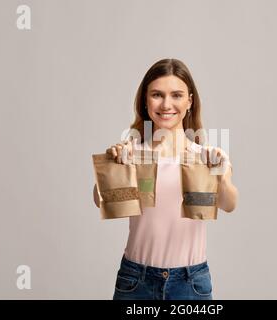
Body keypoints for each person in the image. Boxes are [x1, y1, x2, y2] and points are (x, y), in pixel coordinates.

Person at [105, 58, 238, 300]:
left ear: (190, 101)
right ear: (146, 101)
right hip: (136, 281)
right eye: (157, 94)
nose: (166, 104)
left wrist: (219, 174)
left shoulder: (207, 157)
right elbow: (101, 199)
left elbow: (229, 203)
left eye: (176, 95)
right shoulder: (133, 153)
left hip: (190, 283)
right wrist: (115, 165)